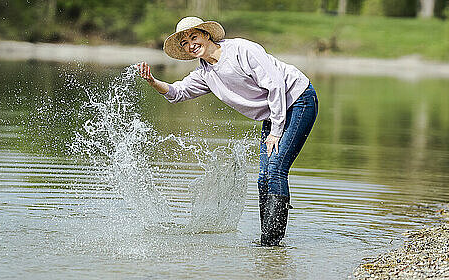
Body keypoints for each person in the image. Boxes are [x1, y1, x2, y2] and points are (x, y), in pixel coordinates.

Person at [136, 16, 318, 246]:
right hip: (275, 112)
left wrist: (276, 131)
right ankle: (269, 245)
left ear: (206, 35)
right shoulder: (205, 73)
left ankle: (271, 242)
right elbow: (177, 92)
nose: (190, 44)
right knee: (264, 177)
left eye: (194, 37)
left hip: (297, 99)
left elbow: (275, 85)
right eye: (184, 43)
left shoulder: (242, 50)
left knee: (276, 169)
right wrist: (153, 81)